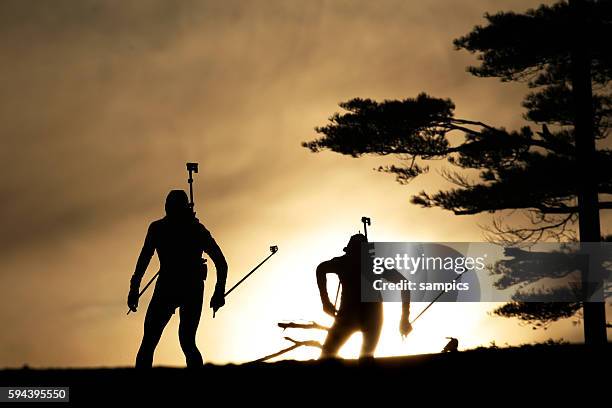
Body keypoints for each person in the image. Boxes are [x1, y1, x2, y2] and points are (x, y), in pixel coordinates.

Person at [127, 190, 227, 368]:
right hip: (177, 286)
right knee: (156, 341)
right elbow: (143, 260)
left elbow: (221, 262)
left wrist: (219, 291)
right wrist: (134, 288)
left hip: (183, 287)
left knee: (181, 341)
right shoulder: (188, 229)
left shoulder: (188, 229)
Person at [316, 234, 411, 359]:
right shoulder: (362, 263)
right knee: (333, 355)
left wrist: (325, 302)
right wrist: (404, 318)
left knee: (331, 355)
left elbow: (321, 268)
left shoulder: (345, 262)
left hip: (363, 317)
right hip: (361, 316)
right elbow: (321, 269)